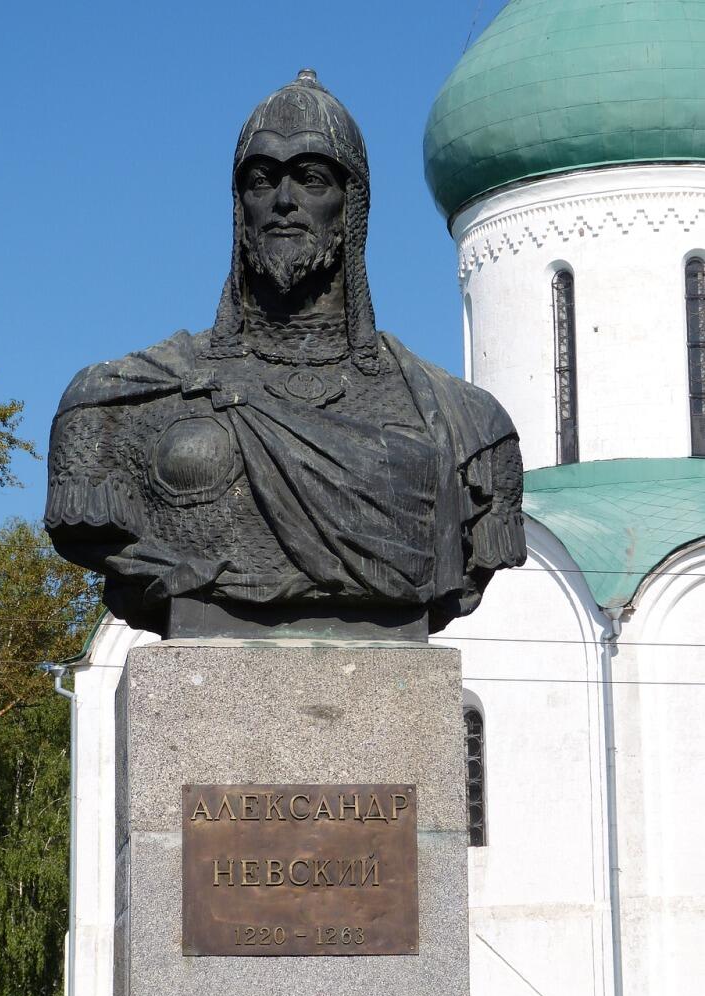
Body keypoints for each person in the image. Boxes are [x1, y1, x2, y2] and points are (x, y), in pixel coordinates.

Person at [45, 70, 525, 639]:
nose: (284, 201)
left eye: (312, 178)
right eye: (262, 180)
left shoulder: (467, 426)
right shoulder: (119, 401)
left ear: (350, 207)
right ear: (239, 206)